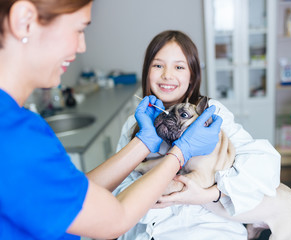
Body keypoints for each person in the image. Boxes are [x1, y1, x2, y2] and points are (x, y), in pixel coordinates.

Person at [0, 2, 223, 240]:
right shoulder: (14, 136)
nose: (82, 46)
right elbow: (115, 219)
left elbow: (74, 191)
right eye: (78, 29)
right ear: (24, 21)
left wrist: (146, 141)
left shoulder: (15, 126)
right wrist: (180, 153)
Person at [113, 30, 281, 239]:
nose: (167, 74)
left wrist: (209, 194)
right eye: (158, 65)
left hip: (212, 228)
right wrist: (142, 146)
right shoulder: (134, 123)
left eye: (179, 67)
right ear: (147, 71)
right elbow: (117, 193)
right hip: (152, 230)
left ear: (192, 75)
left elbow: (265, 164)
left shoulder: (211, 113)